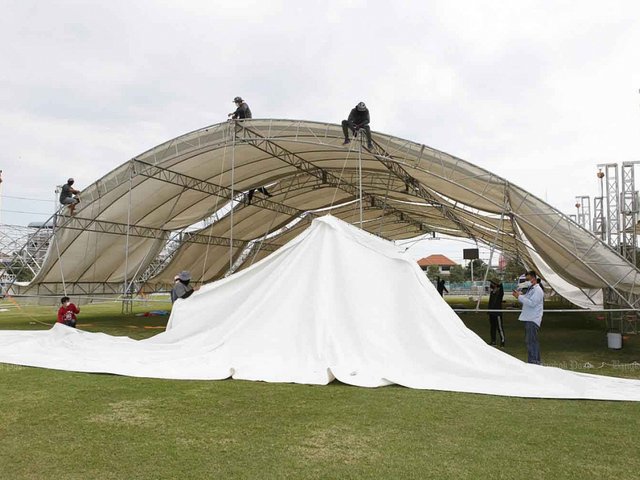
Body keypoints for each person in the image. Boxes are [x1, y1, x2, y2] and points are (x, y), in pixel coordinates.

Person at [512, 270, 543, 364]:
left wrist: (519, 297)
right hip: (529, 318)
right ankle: (535, 361)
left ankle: (534, 362)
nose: (526, 281)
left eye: (528, 279)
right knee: (531, 341)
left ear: (533, 279)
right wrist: (519, 295)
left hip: (533, 319)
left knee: (531, 342)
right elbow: (527, 299)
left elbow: (532, 303)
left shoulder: (537, 290)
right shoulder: (531, 289)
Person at [488, 279, 505, 347]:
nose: (491, 284)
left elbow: (501, 285)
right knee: (492, 327)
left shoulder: (499, 293)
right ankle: (493, 341)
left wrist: (498, 282)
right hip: (491, 313)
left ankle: (502, 341)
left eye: (493, 283)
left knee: (499, 327)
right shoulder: (492, 292)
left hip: (497, 313)